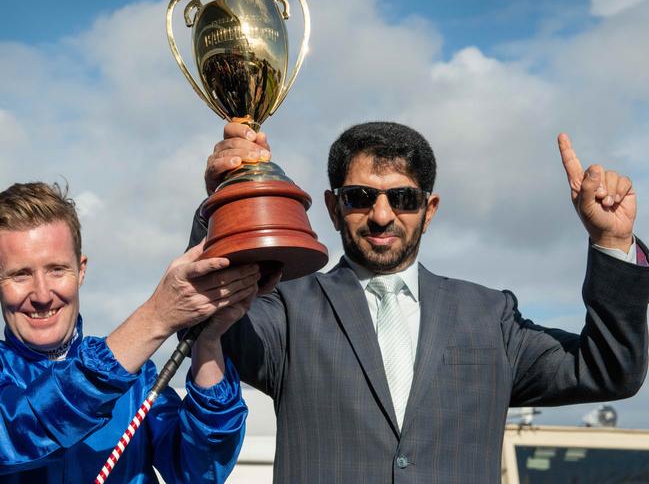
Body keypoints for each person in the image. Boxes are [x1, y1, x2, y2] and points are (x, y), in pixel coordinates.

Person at [189, 122, 649, 483]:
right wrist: (226, 200)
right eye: (360, 197)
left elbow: (608, 370)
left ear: (429, 211)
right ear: (332, 208)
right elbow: (204, 321)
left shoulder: (491, 316)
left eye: (404, 197)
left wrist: (612, 242)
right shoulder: (287, 311)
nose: (382, 214)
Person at [0, 182, 266, 483]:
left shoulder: (138, 380)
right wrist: (156, 316)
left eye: (57, 270)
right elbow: (18, 432)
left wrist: (206, 341)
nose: (42, 294)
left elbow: (199, 472)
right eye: (20, 274)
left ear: (81, 270)